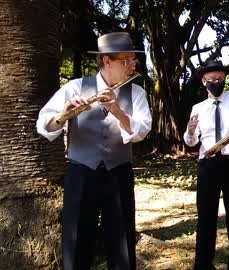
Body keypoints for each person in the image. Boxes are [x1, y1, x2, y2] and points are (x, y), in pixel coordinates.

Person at [36, 32, 152, 270]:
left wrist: (119, 112)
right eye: (126, 61)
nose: (132, 66)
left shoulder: (137, 93)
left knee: (121, 242)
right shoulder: (76, 87)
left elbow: (142, 132)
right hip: (81, 173)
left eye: (133, 61)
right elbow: (44, 124)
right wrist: (63, 114)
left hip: (118, 174)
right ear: (107, 61)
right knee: (77, 240)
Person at [184, 60, 229, 270]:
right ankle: (203, 265)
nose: (217, 83)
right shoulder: (197, 108)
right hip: (207, 166)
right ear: (203, 82)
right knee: (206, 218)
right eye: (212, 80)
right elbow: (191, 142)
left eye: (220, 79)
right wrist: (189, 131)